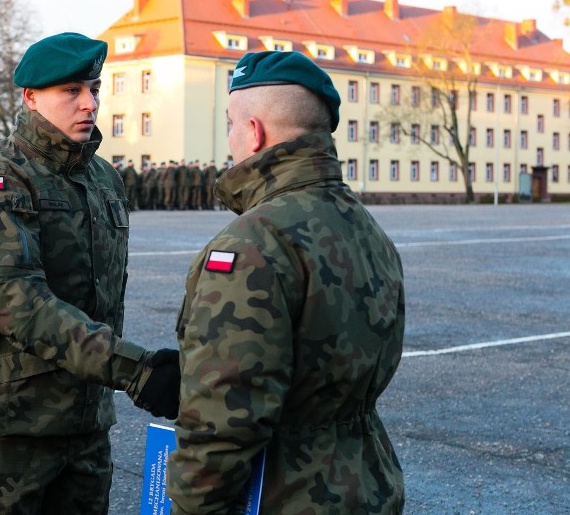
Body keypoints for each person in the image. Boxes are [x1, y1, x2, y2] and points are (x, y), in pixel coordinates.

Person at [0, 32, 180, 515]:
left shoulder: (103, 180)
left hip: (87, 424)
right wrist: (135, 370)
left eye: (94, 88)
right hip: (11, 429)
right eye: (70, 91)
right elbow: (17, 303)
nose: (89, 103)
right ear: (30, 97)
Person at [167, 50, 405, 514]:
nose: (231, 139)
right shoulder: (366, 228)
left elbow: (222, 423)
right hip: (368, 487)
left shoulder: (252, 243)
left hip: (285, 495)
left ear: (254, 133)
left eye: (231, 126)